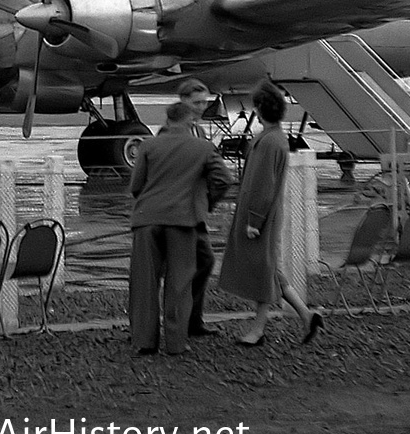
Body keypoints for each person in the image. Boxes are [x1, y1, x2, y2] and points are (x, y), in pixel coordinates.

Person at [218, 80, 324, 346]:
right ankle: (306, 315)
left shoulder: (268, 142)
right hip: (264, 214)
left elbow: (263, 184)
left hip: (259, 217)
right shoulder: (275, 139)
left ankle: (258, 329)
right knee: (269, 269)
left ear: (259, 109)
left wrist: (254, 220)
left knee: (262, 271)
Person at [127, 101, 236, 356]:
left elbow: (135, 185)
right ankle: (176, 342)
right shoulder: (203, 147)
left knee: (144, 283)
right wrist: (206, 202)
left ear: (167, 120)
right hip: (183, 220)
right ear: (190, 122)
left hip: (147, 219)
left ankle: (144, 341)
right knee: (179, 283)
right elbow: (224, 179)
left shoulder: (148, 145)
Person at [175, 77, 225, 337]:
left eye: (204, 103)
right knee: (197, 263)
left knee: (203, 262)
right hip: (181, 212)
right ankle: (184, 322)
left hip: (196, 210)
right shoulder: (174, 131)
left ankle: (192, 319)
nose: (200, 108)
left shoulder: (200, 132)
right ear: (182, 101)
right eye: (196, 103)